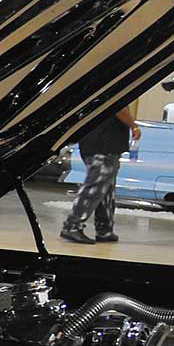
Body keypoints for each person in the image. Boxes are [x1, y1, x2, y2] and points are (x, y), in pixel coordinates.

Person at [61, 102, 141, 245]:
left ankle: (105, 230)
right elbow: (118, 105)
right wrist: (133, 125)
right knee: (95, 188)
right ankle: (73, 226)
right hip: (103, 142)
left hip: (98, 141)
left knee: (106, 189)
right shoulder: (117, 86)